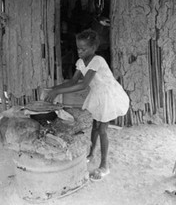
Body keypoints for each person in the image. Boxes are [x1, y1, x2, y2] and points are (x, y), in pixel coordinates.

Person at [44, 29, 129, 181]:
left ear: (93, 48)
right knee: (95, 126)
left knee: (102, 130)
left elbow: (83, 85)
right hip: (97, 94)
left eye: (83, 49)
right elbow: (73, 81)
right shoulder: (81, 62)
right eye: (78, 48)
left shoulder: (97, 60)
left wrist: (58, 91)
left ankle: (104, 165)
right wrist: (55, 88)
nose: (80, 52)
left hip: (107, 95)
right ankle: (91, 153)